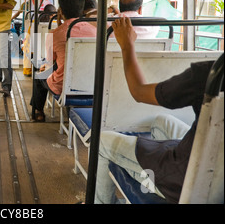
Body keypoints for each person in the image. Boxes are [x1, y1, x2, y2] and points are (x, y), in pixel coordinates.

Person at [94, 16, 222, 204]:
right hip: (216, 170)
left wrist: (127, 44)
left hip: (186, 181)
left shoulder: (213, 76)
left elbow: (138, 92)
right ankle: (147, 181)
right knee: (161, 120)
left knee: (102, 141)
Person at [30, 0, 97, 122]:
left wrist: (60, 26)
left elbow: (50, 63)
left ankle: (38, 111)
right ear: (82, 9)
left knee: (39, 76)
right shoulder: (95, 31)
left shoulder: (55, 34)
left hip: (63, 87)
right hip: (93, 85)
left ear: (60, 11)